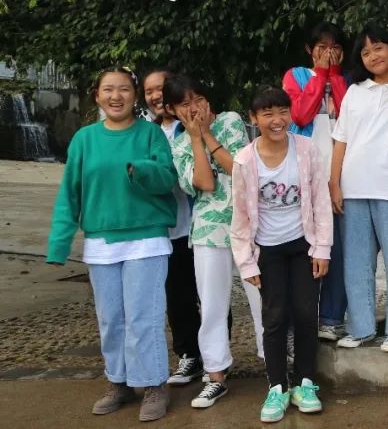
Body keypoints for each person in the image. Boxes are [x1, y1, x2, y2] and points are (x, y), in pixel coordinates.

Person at [47, 66, 177, 422]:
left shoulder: (150, 134)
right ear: (97, 95)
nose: (115, 96)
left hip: (146, 241)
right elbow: (70, 194)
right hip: (101, 243)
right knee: (111, 319)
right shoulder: (84, 139)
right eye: (108, 89)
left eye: (123, 89)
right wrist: (58, 244)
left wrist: (142, 170)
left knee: (143, 318)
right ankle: (118, 381)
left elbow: (167, 179)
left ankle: (153, 383)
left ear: (134, 97)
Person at [231, 86, 333, 423]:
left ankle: (305, 383)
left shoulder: (306, 149)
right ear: (254, 118)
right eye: (267, 113)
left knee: (306, 314)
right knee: (273, 319)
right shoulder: (244, 160)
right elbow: (240, 215)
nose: (277, 120)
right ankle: (277, 386)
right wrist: (246, 262)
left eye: (282, 112)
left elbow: (320, 200)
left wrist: (322, 248)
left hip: (303, 245)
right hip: (268, 250)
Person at [164, 74, 262, 409]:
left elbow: (238, 169)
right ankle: (215, 374)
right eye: (184, 103)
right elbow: (205, 183)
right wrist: (195, 139)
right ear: (172, 110)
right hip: (208, 228)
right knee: (212, 305)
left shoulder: (231, 121)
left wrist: (206, 133)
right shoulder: (178, 145)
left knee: (264, 298)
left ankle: (277, 367)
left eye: (198, 99)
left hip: (249, 224)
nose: (194, 108)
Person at [330, 27, 388, 351]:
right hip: (354, 189)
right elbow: (341, 139)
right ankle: (361, 328)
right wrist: (334, 183)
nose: (373, 56)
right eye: (366, 52)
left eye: (378, 48)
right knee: (357, 264)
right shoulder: (355, 92)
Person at [282, 23, 348, 342]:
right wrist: (321, 74)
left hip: (342, 173)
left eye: (334, 47)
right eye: (321, 47)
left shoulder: (347, 80)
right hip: (305, 174)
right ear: (310, 50)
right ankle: (301, 320)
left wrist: (334, 76)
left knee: (338, 247)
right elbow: (300, 115)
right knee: (308, 247)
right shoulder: (295, 75)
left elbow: (348, 117)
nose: (328, 52)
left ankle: (332, 318)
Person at [143, 68, 203, 387]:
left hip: (198, 227)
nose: (155, 96)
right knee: (177, 299)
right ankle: (189, 354)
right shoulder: (145, 133)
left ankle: (216, 357)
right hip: (166, 232)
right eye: (149, 91)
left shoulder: (191, 125)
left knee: (209, 296)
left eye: (161, 88)